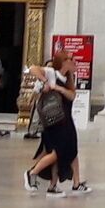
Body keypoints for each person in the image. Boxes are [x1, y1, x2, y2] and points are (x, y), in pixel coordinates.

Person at [24, 48, 89, 196]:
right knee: (57, 152)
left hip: (66, 119)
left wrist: (58, 88)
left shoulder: (69, 78)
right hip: (54, 121)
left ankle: (56, 185)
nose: (74, 61)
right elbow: (32, 68)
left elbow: (72, 96)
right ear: (63, 61)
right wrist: (45, 81)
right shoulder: (52, 73)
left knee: (70, 150)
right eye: (71, 59)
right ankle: (32, 172)